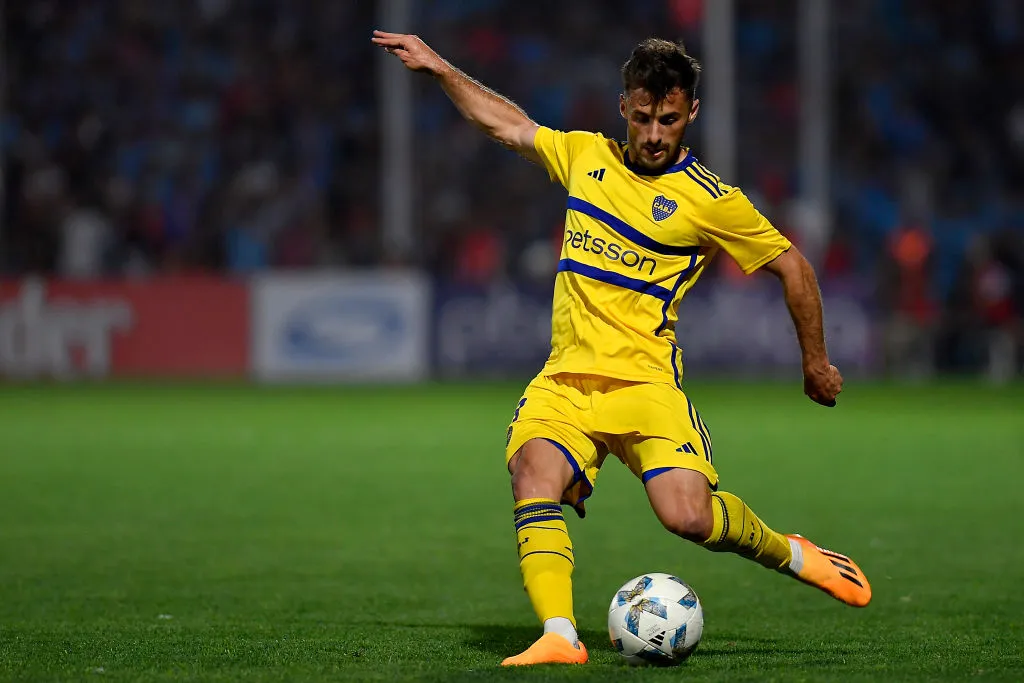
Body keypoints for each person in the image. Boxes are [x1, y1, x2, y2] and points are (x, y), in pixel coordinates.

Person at [372, 31, 872, 666]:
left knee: (687, 518)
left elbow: (794, 267)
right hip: (566, 383)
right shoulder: (586, 157)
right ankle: (559, 634)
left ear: (691, 113)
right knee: (533, 474)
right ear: (623, 108)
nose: (654, 133)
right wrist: (442, 69)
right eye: (642, 118)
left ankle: (790, 551)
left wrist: (815, 361)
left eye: (668, 119)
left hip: (646, 387)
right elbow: (508, 125)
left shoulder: (711, 200)